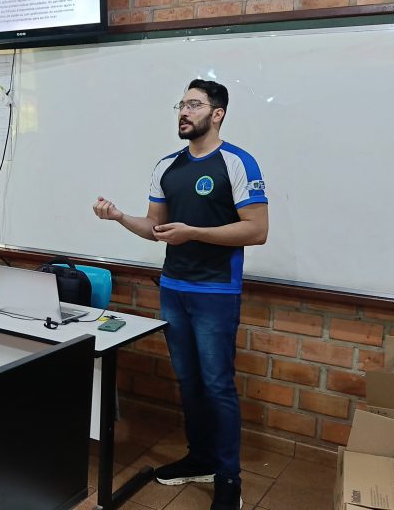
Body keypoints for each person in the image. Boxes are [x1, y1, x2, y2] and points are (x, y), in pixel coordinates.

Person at [92, 80, 268, 510]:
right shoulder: (168, 166)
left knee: (217, 385)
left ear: (218, 113)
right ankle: (200, 458)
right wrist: (117, 217)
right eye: (181, 104)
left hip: (215, 292)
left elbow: (257, 230)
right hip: (173, 289)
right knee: (189, 382)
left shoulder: (238, 163)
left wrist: (195, 234)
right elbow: (157, 229)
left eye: (194, 104)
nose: (184, 112)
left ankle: (229, 478)